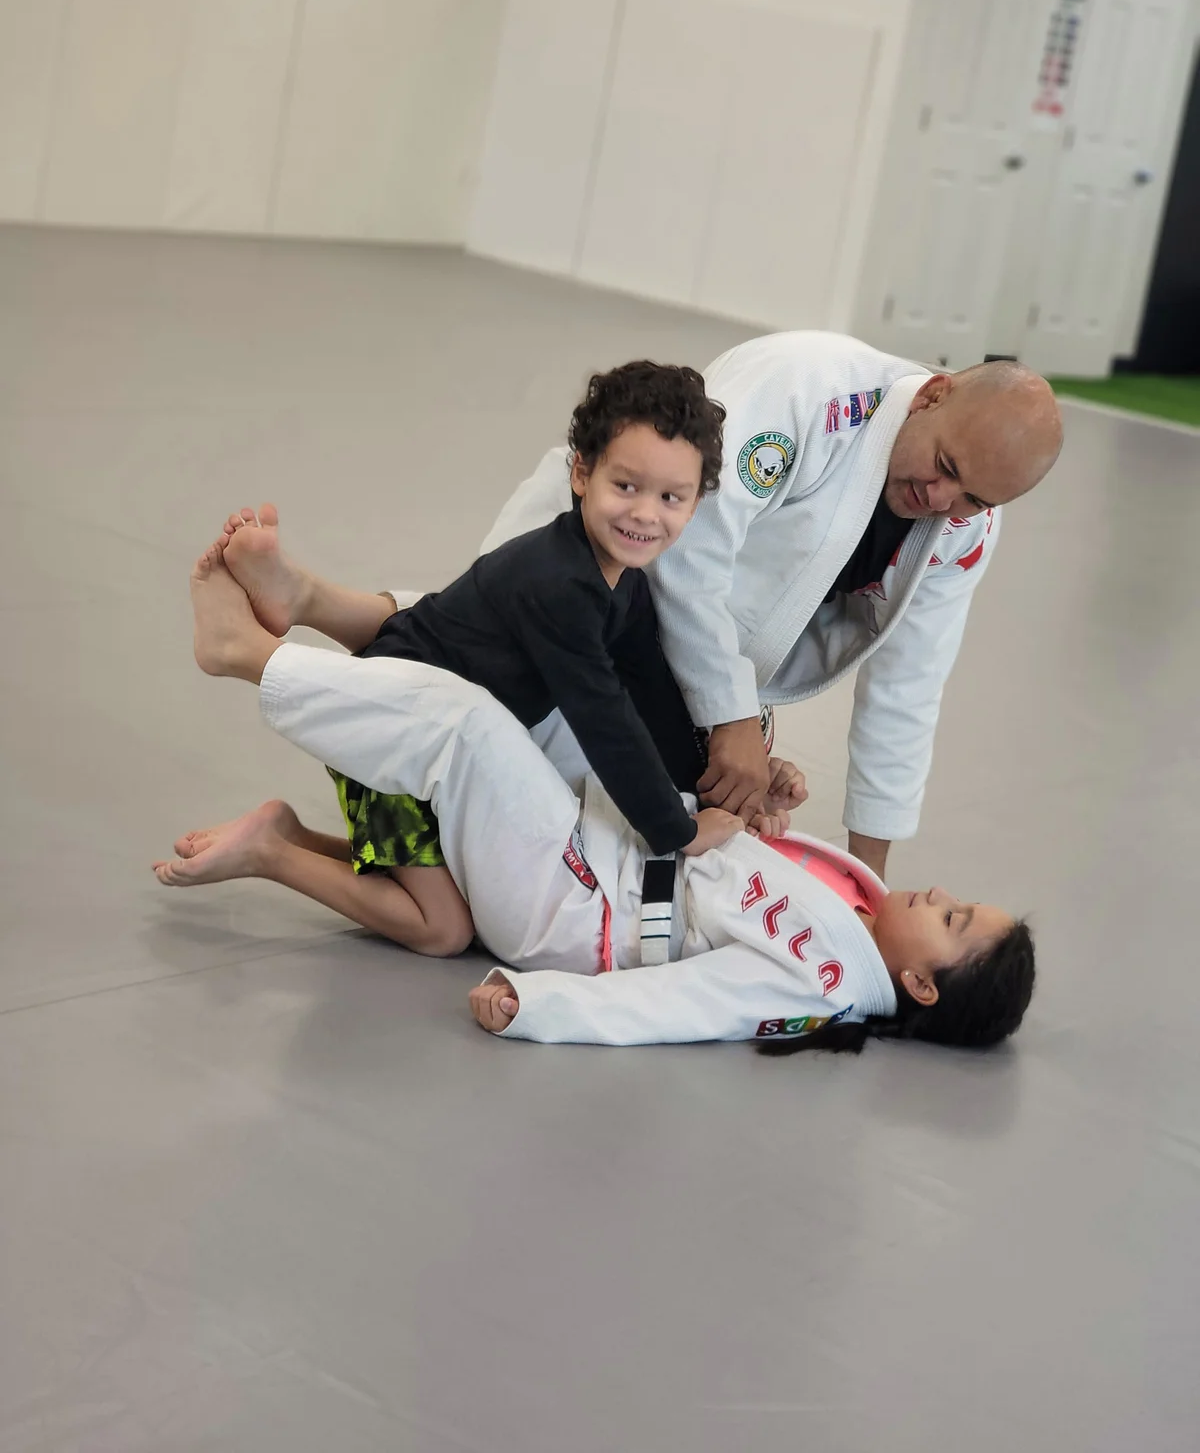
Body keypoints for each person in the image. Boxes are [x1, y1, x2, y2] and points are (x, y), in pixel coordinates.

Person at [157, 556, 1034, 1051]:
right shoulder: (850, 904)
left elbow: (683, 1003)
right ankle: (314, 606)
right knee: (550, 660)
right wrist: (766, 803)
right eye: (960, 901)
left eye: (954, 922)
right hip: (603, 840)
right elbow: (731, 880)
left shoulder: (828, 978)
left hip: (579, 909)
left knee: (466, 728)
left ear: (917, 985)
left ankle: (245, 656)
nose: (937, 897)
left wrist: (543, 1008)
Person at [182, 360, 805, 956]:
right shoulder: (559, 584)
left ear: (697, 505)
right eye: (626, 486)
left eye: (672, 498)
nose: (646, 513)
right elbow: (605, 721)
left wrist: (706, 792)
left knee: (465, 899)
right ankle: (272, 851)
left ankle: (293, 837)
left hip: (439, 753)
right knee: (442, 929)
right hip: (388, 743)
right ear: (581, 473)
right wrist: (681, 831)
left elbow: (648, 694)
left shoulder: (626, 583)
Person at [479, 332, 1065, 881]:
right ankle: (402, 618)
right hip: (588, 569)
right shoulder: (807, 388)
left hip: (686, 656)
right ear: (933, 396)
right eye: (945, 467)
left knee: (649, 837)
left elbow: (909, 684)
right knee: (500, 769)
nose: (940, 500)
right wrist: (729, 718)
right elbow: (687, 544)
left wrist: (868, 885)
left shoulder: (968, 524)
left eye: (973, 499)